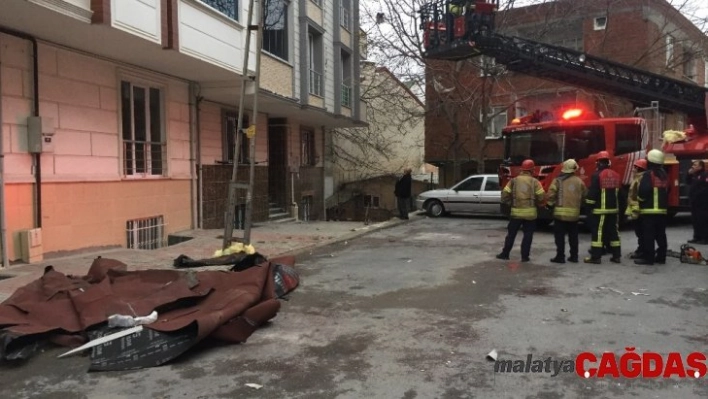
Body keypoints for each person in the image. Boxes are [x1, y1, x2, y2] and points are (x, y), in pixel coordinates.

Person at [496, 159, 545, 262]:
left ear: (522, 169)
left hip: (516, 213)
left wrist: (511, 203)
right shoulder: (535, 182)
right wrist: (537, 203)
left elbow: (505, 195)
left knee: (511, 235)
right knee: (528, 235)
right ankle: (525, 256)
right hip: (530, 214)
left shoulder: (514, 181)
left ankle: (505, 254)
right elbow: (541, 196)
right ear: (532, 170)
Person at [546, 159, 587, 263]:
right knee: (573, 237)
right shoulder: (579, 181)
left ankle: (560, 256)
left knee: (559, 237)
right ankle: (574, 256)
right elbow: (585, 196)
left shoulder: (558, 180)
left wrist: (549, 205)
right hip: (574, 215)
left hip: (560, 215)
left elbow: (551, 194)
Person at [584, 151, 622, 264]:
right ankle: (616, 256)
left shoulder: (597, 175)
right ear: (608, 162)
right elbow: (620, 194)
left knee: (598, 233)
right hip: (614, 210)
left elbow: (593, 193)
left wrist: (588, 207)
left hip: (600, 210)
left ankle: (596, 257)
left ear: (598, 163)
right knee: (614, 233)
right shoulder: (616, 175)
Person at [635, 149, 669, 265]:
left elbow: (643, 191)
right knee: (661, 235)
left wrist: (640, 201)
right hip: (662, 211)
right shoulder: (664, 175)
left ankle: (648, 258)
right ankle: (661, 257)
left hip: (649, 212)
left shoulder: (648, 174)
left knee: (648, 235)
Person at [626, 158, 648, 259]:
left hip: (638, 209)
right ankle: (642, 250)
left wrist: (633, 205)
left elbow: (638, 195)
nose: (633, 169)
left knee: (641, 232)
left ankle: (642, 251)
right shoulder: (639, 178)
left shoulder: (640, 179)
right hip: (637, 208)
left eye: (635, 167)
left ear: (638, 168)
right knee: (640, 232)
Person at [687, 160, 708, 244]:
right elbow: (688, 182)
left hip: (703, 202)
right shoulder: (694, 175)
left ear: (700, 167)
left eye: (695, 165)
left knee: (703, 221)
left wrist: (698, 196)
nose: (693, 166)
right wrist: (689, 174)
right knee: (695, 220)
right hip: (694, 202)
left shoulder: (705, 175)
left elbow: (705, 189)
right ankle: (697, 237)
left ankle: (705, 238)